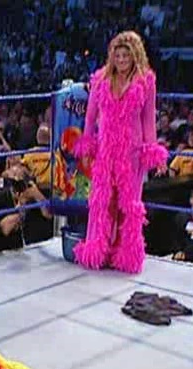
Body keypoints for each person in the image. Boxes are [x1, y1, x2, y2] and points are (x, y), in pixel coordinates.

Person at [72, 31, 168, 274]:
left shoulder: (146, 81)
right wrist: (86, 144)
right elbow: (90, 116)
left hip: (132, 152)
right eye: (118, 55)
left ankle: (125, 255)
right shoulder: (100, 79)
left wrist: (153, 151)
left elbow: (148, 120)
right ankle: (98, 250)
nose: (122, 60)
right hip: (105, 150)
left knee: (130, 204)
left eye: (126, 55)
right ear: (112, 56)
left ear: (135, 55)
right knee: (102, 202)